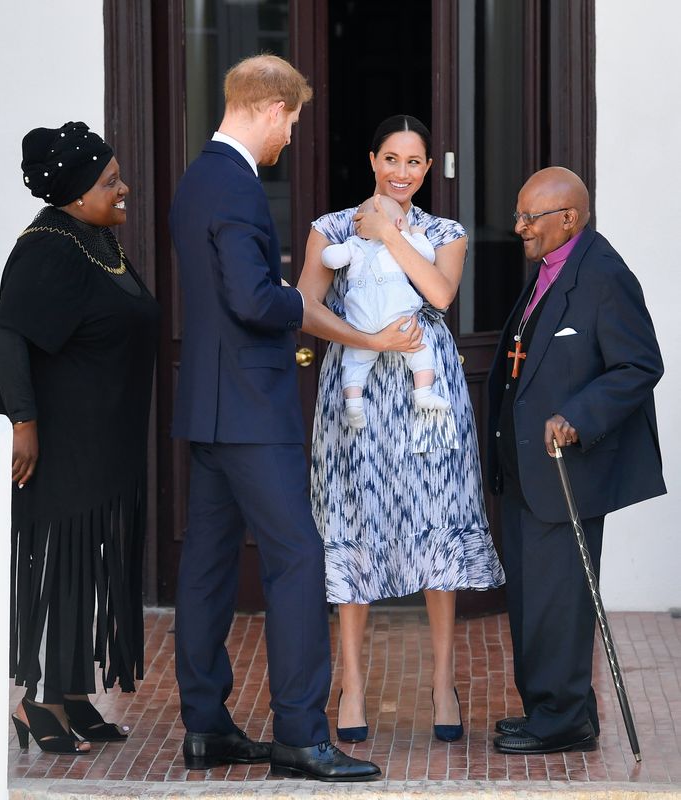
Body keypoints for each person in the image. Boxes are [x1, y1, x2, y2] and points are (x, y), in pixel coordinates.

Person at [168, 55, 380, 782]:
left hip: (207, 406)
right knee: (296, 561)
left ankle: (206, 728)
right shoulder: (233, 186)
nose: (291, 136)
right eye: (290, 120)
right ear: (267, 108)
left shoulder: (198, 179)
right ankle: (300, 734)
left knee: (205, 567)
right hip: (254, 410)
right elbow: (254, 300)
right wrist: (309, 304)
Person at [298, 114, 504, 744]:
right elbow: (303, 308)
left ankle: (443, 683)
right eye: (392, 159)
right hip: (356, 386)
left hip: (427, 393)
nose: (403, 173)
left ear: (428, 167)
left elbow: (440, 294)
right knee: (355, 522)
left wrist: (388, 231)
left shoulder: (446, 231)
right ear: (372, 159)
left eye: (414, 162)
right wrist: (368, 337)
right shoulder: (330, 229)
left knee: (437, 519)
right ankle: (352, 684)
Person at [0, 121, 160, 754]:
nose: (123, 186)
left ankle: (72, 690)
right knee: (62, 566)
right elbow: (8, 334)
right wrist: (22, 425)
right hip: (64, 445)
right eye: (110, 180)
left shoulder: (94, 238)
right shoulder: (49, 245)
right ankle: (37, 701)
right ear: (77, 191)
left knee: (90, 566)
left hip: (104, 440)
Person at [488, 166, 665, 755]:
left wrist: (579, 416)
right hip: (525, 469)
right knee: (533, 598)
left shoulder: (605, 276)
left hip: (569, 469)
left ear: (570, 218)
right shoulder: (550, 269)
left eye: (529, 217)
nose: (518, 228)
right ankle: (553, 708)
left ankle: (562, 719)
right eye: (518, 215)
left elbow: (638, 366)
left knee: (560, 599)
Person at [321, 194, 450, 430]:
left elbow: (330, 259)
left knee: (355, 361)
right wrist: (417, 234)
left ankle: (353, 403)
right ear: (400, 223)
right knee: (420, 350)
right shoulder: (404, 240)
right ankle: (423, 392)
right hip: (397, 314)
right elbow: (428, 255)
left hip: (362, 318)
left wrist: (333, 249)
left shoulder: (353, 244)